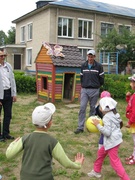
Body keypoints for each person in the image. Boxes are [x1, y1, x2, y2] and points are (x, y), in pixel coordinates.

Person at [6, 103, 84, 180]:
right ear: (50, 123)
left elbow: (9, 154)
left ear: (33, 121)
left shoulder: (25, 138)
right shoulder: (52, 142)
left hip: (25, 177)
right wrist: (78, 164)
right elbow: (66, 163)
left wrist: (13, 143)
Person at [87, 97, 130, 179]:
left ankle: (126, 178)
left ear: (104, 108)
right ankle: (96, 171)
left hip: (112, 143)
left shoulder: (106, 117)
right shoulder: (115, 114)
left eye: (100, 106)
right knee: (100, 153)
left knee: (115, 162)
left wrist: (98, 125)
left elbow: (107, 133)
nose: (99, 108)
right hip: (114, 141)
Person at [74, 49, 104, 134]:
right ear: (87, 56)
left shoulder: (99, 66)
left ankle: (91, 126)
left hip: (95, 90)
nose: (90, 58)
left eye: (91, 57)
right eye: (89, 56)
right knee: (82, 107)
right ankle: (80, 127)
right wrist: (84, 85)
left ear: (94, 57)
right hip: (85, 90)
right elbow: (81, 78)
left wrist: (97, 85)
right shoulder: (83, 65)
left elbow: (102, 79)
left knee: (92, 109)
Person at [0, 50, 17, 141]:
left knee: (8, 115)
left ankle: (6, 134)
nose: (3, 57)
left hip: (8, 93)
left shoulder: (8, 66)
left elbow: (12, 80)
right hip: (0, 94)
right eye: (1, 56)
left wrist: (14, 94)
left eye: (4, 56)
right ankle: (0, 136)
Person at [125, 74, 135, 165]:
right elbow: (130, 105)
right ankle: (133, 155)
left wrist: (130, 122)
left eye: (132, 82)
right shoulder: (134, 95)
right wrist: (128, 97)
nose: (130, 84)